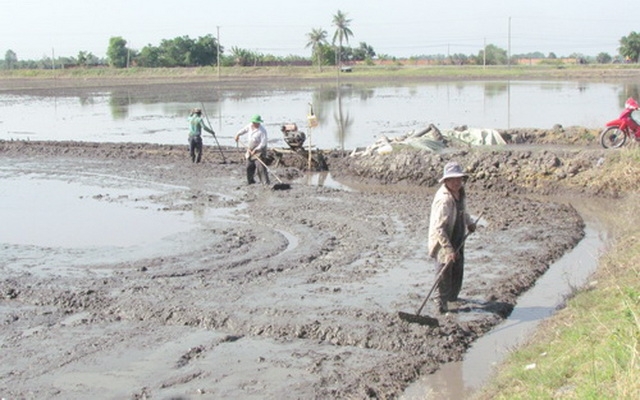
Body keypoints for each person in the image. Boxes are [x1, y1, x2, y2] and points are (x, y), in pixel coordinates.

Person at [428, 161, 477, 314]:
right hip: (443, 240)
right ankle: (440, 305)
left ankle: (452, 298)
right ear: (446, 181)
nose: (457, 182)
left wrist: (469, 222)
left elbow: (462, 211)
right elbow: (439, 229)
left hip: (457, 235)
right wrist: (448, 249)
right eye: (453, 179)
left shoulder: (460, 192)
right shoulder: (444, 200)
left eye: (459, 179)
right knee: (444, 272)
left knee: (458, 268)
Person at [234, 114, 270, 185]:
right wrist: (238, 134)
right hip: (250, 149)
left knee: (260, 168)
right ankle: (250, 181)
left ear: (259, 122)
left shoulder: (262, 131)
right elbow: (244, 130)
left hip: (259, 151)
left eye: (256, 123)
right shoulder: (250, 126)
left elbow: (263, 143)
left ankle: (265, 183)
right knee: (249, 166)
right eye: (253, 122)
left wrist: (256, 150)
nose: (254, 124)